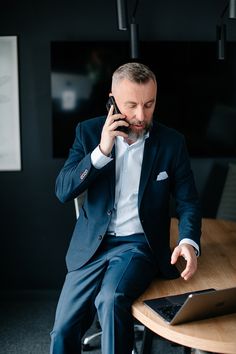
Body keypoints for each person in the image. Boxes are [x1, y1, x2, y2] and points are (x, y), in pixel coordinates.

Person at [50, 62, 201, 354]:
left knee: (111, 299)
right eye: (131, 105)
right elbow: (63, 191)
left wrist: (188, 242)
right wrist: (102, 150)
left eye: (149, 104)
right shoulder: (88, 133)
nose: (141, 115)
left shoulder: (172, 143)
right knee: (64, 330)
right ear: (112, 101)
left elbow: (188, 201)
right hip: (91, 247)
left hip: (137, 246)